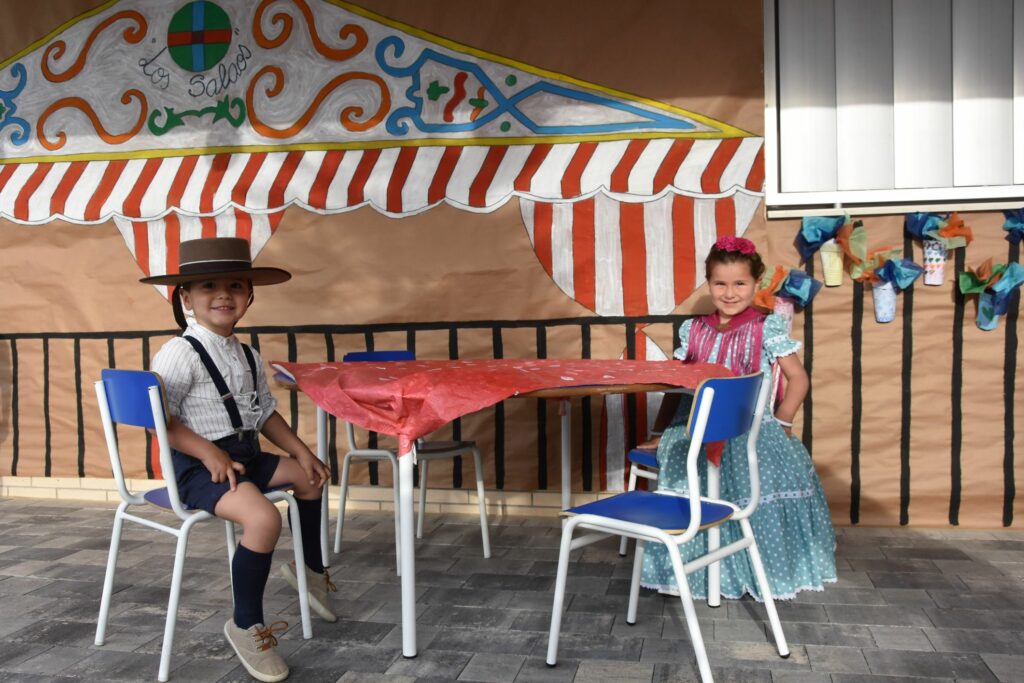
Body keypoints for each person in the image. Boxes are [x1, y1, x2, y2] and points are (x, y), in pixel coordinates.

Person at [142, 237, 335, 682]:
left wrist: (302, 451)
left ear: (250, 295)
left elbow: (264, 412)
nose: (223, 294)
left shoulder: (246, 353)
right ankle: (247, 624)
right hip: (196, 465)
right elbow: (161, 421)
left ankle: (309, 571)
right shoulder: (179, 352)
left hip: (244, 453)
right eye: (208, 285)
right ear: (186, 298)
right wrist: (208, 452)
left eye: (235, 285)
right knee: (264, 519)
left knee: (309, 478)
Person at [640, 235, 837, 601]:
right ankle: (703, 569)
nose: (730, 293)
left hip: (749, 429)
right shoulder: (693, 330)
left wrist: (784, 421)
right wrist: (660, 431)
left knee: (751, 485)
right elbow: (677, 385)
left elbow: (798, 377)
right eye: (720, 284)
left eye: (740, 284)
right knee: (695, 484)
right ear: (709, 284)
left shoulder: (766, 327)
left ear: (756, 284)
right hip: (695, 427)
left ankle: (755, 566)